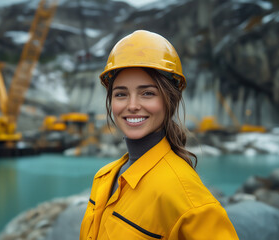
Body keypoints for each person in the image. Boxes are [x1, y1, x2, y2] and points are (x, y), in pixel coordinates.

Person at [80, 30, 239, 240]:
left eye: (147, 93)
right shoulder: (104, 177)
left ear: (169, 100)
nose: (133, 106)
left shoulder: (185, 195)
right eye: (121, 94)